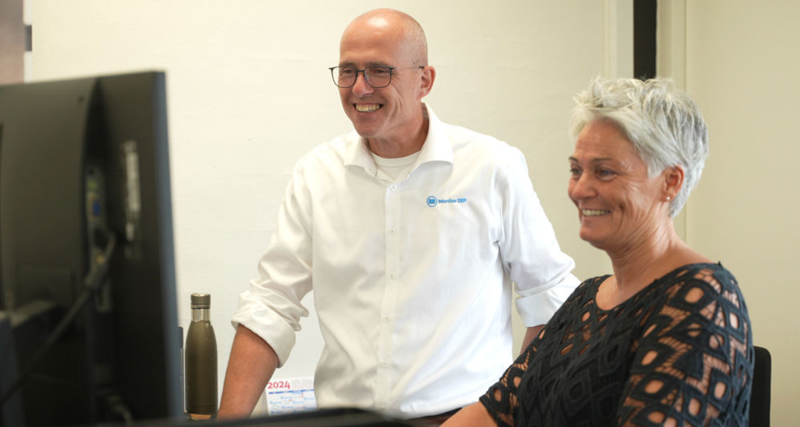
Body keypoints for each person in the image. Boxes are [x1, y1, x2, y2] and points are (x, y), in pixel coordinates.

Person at [217, 8, 580, 423]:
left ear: (424, 80)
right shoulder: (317, 174)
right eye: (348, 71)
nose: (359, 87)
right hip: (345, 417)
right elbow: (271, 305)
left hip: (462, 418)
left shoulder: (490, 166)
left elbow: (553, 300)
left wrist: (506, 408)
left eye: (378, 71)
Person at [443, 77, 754, 427]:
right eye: (576, 170)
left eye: (604, 172)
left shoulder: (703, 298)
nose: (580, 189)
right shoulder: (587, 296)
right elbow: (498, 410)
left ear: (671, 182)